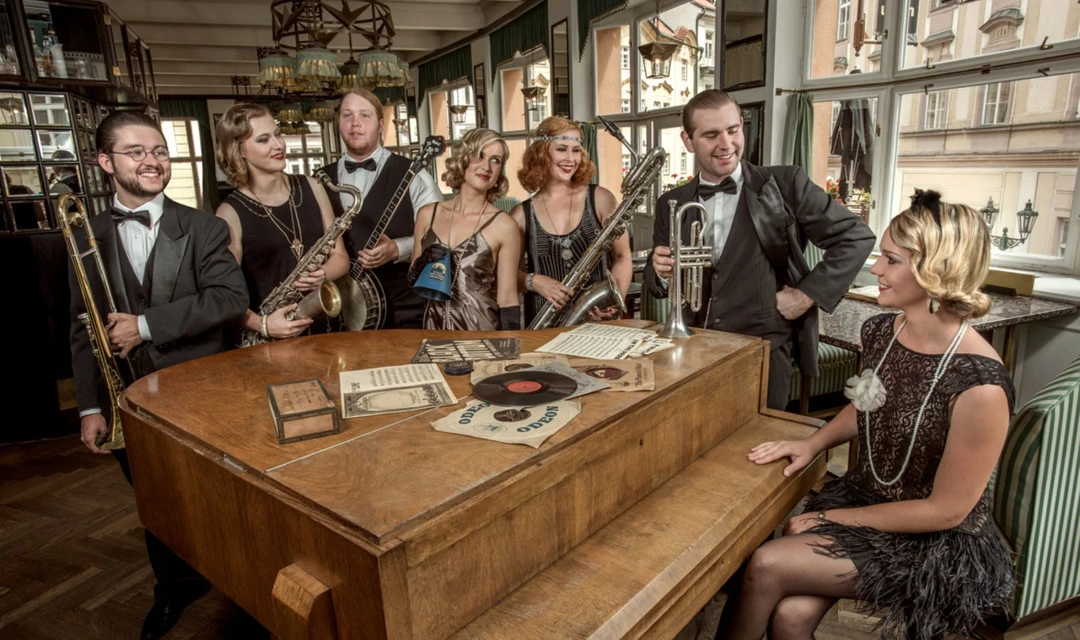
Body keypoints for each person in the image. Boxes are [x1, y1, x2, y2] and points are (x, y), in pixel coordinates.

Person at [717, 190, 1014, 640]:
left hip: (932, 540)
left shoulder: (980, 386)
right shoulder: (882, 330)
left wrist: (828, 519)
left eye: (891, 260)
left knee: (767, 563)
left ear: (936, 271)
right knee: (791, 616)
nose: (875, 269)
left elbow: (946, 512)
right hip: (870, 500)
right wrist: (813, 442)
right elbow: (868, 406)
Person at [69, 111, 248, 639]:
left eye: (159, 151)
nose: (152, 161)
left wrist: (145, 326)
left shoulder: (204, 227)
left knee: (217, 499)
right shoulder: (84, 233)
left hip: (200, 395)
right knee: (156, 504)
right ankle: (173, 590)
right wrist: (89, 405)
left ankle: (242, 590)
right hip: (126, 399)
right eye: (136, 152)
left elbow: (230, 298)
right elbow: (82, 325)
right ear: (105, 162)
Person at [645, 90, 875, 410]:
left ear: (742, 126)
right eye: (711, 135)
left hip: (765, 350)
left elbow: (856, 237)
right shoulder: (671, 202)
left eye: (733, 130)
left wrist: (806, 295)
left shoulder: (786, 184)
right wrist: (659, 271)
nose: (726, 144)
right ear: (688, 140)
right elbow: (655, 282)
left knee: (761, 438)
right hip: (693, 347)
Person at [214, 103, 349, 341]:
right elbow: (223, 295)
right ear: (239, 150)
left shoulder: (313, 186)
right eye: (263, 139)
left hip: (328, 330)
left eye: (277, 134)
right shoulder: (229, 213)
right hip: (271, 337)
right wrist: (263, 325)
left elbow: (341, 257)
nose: (278, 145)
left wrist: (324, 272)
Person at [318, 88, 443, 328]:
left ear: (380, 124)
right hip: (340, 311)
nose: (355, 123)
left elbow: (441, 236)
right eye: (347, 115)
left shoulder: (414, 174)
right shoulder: (319, 180)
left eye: (364, 115)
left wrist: (397, 249)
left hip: (404, 307)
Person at [511, 116, 631, 327]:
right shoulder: (521, 214)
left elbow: (622, 256)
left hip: (598, 325)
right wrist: (534, 282)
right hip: (543, 326)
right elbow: (505, 274)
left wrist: (614, 301)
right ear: (541, 153)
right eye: (561, 149)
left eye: (576, 150)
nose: (570, 159)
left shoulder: (601, 199)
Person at [409, 128, 522, 330]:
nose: (486, 166)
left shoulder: (505, 226)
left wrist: (511, 344)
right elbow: (413, 279)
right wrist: (421, 262)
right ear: (463, 158)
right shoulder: (427, 214)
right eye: (479, 155)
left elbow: (507, 298)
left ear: (500, 171)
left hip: (482, 332)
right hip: (433, 332)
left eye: (495, 160)